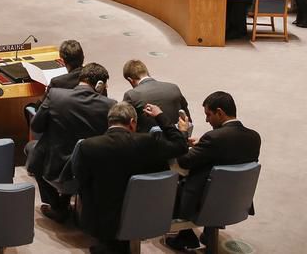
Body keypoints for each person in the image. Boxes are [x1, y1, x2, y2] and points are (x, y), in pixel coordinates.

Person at [75, 102, 189, 254]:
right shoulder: (148, 142)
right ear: (132, 122)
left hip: (100, 217)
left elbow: (81, 180)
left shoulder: (88, 146)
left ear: (109, 122)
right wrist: (160, 116)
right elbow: (180, 145)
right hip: (142, 212)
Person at [167, 92, 261, 251]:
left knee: (173, 178)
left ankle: (185, 235)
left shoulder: (214, 138)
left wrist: (182, 135)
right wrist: (202, 147)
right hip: (235, 197)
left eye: (208, 115)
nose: (206, 120)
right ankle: (210, 232)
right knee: (219, 178)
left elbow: (184, 161)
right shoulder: (254, 137)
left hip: (205, 199)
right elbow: (228, 155)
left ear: (220, 112)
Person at [27, 63, 115, 223]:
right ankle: (65, 202)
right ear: (100, 85)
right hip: (89, 174)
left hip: (56, 168)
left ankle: (57, 205)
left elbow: (36, 126)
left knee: (32, 149)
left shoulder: (55, 95)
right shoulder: (110, 105)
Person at [121, 60, 189, 132]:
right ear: (147, 72)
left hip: (147, 141)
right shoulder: (174, 88)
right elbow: (187, 117)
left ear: (130, 80)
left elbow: (122, 124)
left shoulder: (131, 95)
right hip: (176, 138)